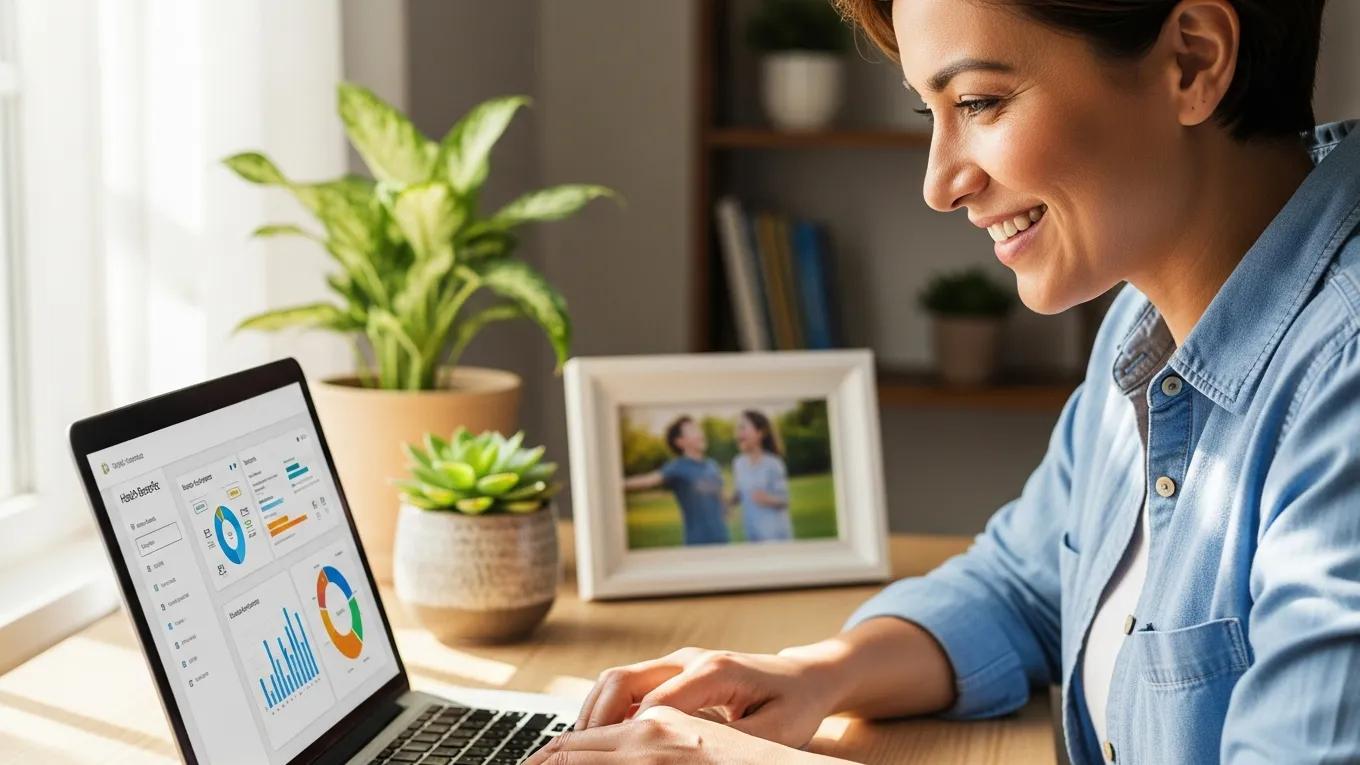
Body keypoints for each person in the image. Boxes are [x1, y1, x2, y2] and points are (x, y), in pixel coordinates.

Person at [529, 1, 1357, 763]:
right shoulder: (1147, 318)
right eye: (932, 113)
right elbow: (1025, 583)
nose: (938, 182)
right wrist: (815, 674)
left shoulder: (1341, 380)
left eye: (980, 103)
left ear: (1192, 60)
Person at [623, 415, 730, 546]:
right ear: (680, 442)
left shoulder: (712, 465)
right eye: (692, 430)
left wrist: (726, 507)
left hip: (722, 540)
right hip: (698, 543)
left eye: (698, 428)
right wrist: (615, 484)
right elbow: (648, 480)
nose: (700, 433)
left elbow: (720, 497)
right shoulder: (677, 466)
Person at [729, 410, 793, 543]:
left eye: (743, 427)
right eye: (737, 429)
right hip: (752, 535)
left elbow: (785, 500)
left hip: (775, 536)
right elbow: (740, 493)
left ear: (760, 433)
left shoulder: (773, 464)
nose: (738, 433)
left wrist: (768, 499)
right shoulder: (738, 463)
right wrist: (728, 501)